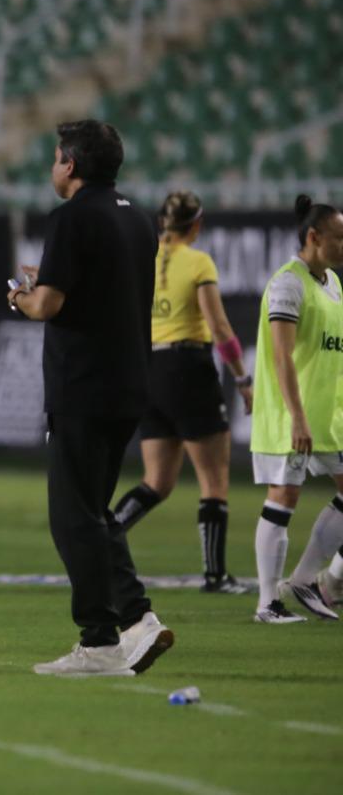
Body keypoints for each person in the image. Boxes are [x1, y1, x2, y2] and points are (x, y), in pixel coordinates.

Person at [8, 120, 173, 677]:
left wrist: (20, 296)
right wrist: (51, 279)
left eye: (56, 158)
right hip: (129, 382)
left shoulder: (71, 217)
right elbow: (104, 286)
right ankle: (138, 620)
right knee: (95, 512)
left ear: (71, 164)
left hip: (83, 384)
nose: (53, 167)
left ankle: (100, 641)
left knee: (71, 518)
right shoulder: (138, 218)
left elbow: (48, 305)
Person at [109, 191, 252, 593]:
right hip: (188, 367)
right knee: (214, 480)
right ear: (197, 225)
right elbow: (219, 327)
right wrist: (242, 378)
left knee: (156, 481)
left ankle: (103, 543)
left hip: (148, 367)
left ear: (161, 223)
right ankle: (215, 576)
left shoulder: (142, 260)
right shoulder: (198, 262)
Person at [246, 195, 343, 623]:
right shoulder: (288, 284)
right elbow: (282, 356)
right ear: (314, 237)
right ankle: (268, 603)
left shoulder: (333, 283)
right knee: (283, 496)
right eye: (339, 237)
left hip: (328, 415)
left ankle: (306, 580)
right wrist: (298, 418)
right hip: (292, 415)